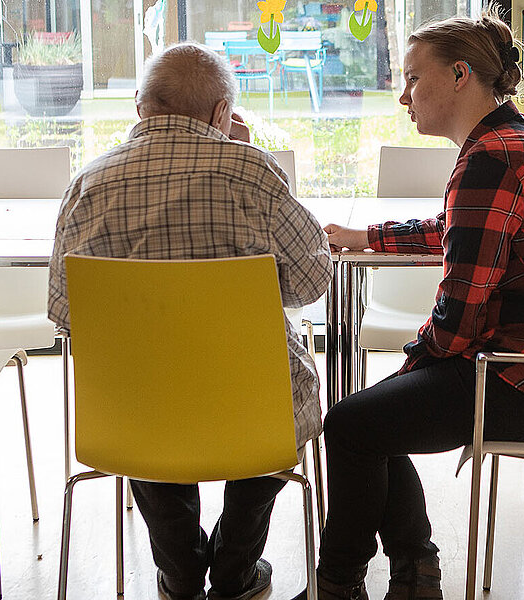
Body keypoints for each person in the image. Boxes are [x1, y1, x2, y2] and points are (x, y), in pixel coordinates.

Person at [297, 8, 524, 600]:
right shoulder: (515, 140)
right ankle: (414, 573)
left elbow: (460, 312)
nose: (403, 96)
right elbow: (459, 228)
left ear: (460, 75)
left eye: (415, 78)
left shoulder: (490, 159)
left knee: (349, 424)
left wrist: (415, 364)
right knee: (376, 415)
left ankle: (338, 584)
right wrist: (368, 237)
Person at [48, 43, 331, 600]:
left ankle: (180, 571)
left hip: (134, 408)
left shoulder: (87, 184)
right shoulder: (253, 172)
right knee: (282, 403)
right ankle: (234, 569)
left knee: (143, 404)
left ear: (139, 106)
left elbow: (66, 314)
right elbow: (311, 281)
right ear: (223, 112)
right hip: (252, 401)